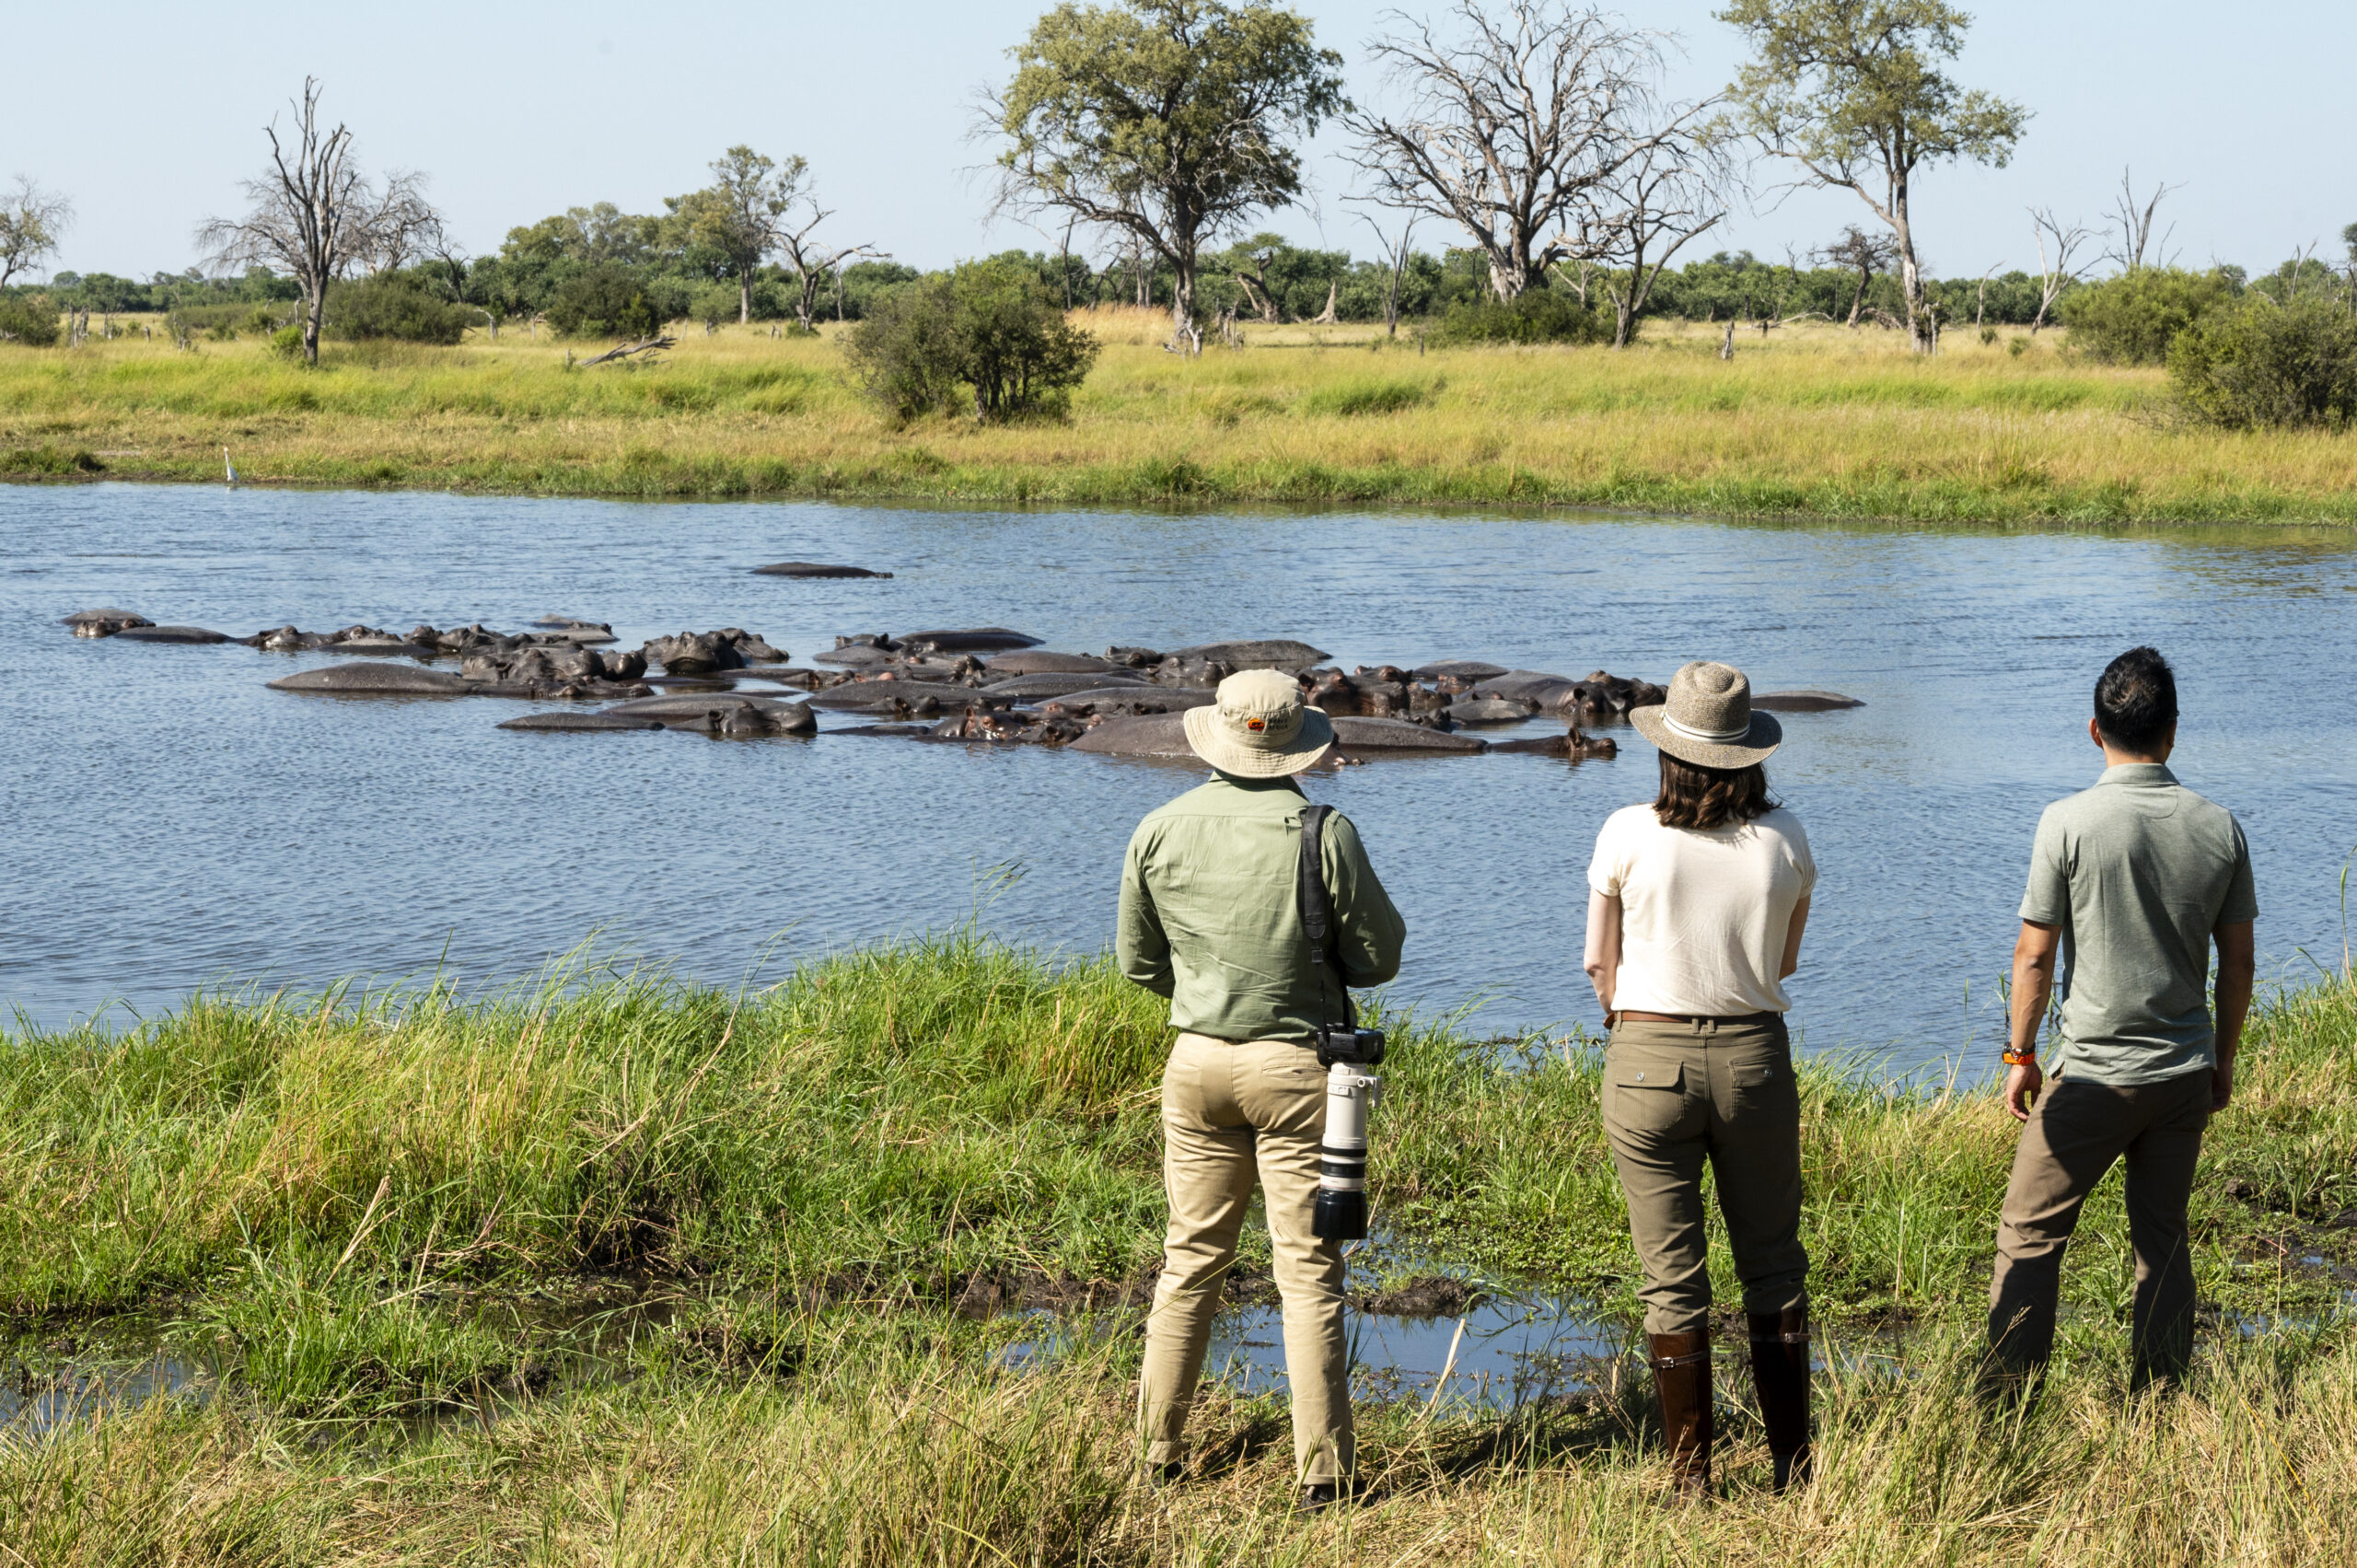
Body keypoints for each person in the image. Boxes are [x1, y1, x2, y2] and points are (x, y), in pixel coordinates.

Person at [1116, 668, 1406, 1512]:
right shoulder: (1327, 830)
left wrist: (1212, 992)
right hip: (1299, 1072)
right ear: (1295, 742)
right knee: (1309, 1272)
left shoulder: (1160, 825)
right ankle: (1324, 1473)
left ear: (1218, 736)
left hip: (1196, 1064)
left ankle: (1156, 1451)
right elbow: (1379, 960)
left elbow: (1139, 963)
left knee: (1188, 1263)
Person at [1985, 646, 2256, 1396]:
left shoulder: (2065, 822)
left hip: (2092, 1078)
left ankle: (2007, 1403)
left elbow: (2033, 956)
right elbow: (2239, 966)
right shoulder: (2219, 827)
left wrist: (2020, 1056)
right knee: (2162, 1242)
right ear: (2172, 731)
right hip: (2180, 1076)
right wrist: (2221, 1061)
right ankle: (2160, 1397)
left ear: (2095, 731)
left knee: (2031, 1237)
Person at [1584, 660, 1817, 1495]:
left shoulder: (1624, 830)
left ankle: (1691, 1476)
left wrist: (1634, 1013)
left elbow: (1599, 966)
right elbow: (1784, 959)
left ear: (1667, 751)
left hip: (1646, 1057)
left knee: (1671, 1277)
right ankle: (1793, 1464)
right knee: (1773, 1264)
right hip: (1755, 1057)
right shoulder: (1785, 836)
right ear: (1750, 753)